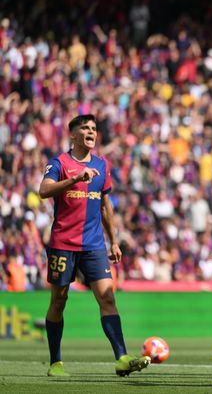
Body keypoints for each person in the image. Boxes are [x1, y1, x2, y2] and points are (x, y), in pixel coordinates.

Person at [38, 114, 150, 377]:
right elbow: (44, 190)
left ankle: (121, 357)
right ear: (73, 135)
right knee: (59, 300)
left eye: (94, 129)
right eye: (85, 128)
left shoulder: (102, 165)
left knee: (107, 297)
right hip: (63, 243)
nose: (91, 132)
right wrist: (76, 179)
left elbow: (105, 206)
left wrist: (114, 240)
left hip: (94, 245)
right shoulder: (59, 163)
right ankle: (55, 362)